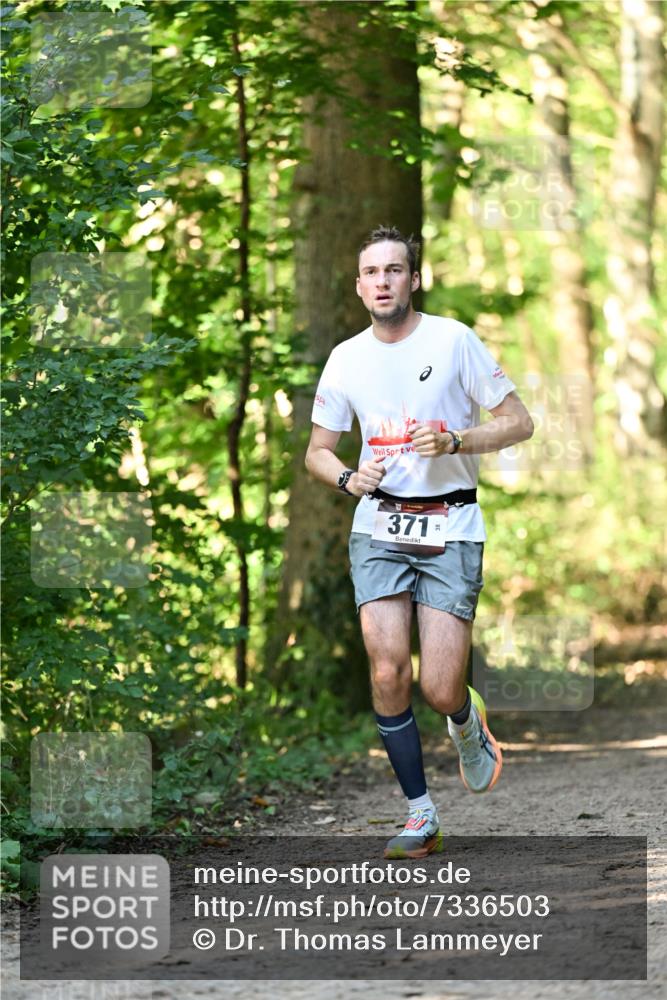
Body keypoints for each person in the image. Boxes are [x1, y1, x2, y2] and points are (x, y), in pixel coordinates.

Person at [305, 225, 534, 859]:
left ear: (413, 278)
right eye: (371, 272)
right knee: (386, 670)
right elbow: (318, 451)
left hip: (451, 524)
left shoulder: (453, 340)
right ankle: (420, 813)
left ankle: (463, 719)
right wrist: (349, 478)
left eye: (393, 270)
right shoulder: (346, 358)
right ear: (358, 286)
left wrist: (457, 440)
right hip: (378, 525)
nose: (382, 281)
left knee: (438, 687)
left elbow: (520, 422)